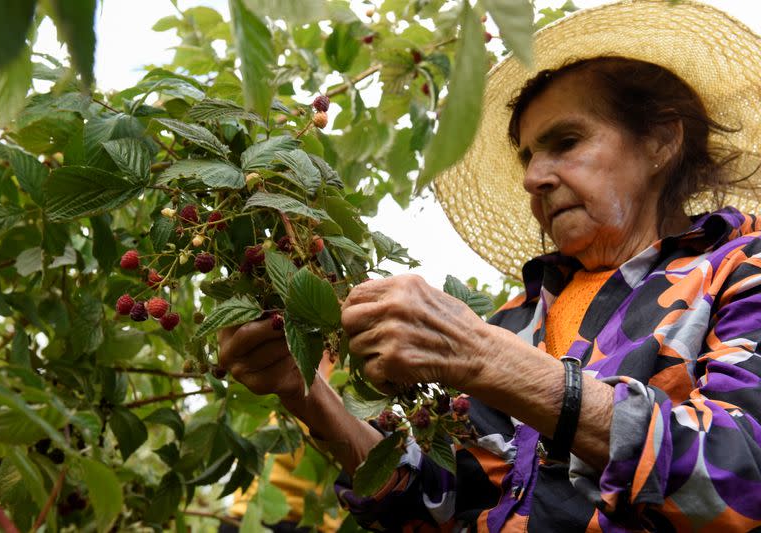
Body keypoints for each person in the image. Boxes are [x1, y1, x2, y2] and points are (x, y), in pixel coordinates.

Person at [218, 1, 761, 530]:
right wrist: (306, 393)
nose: (533, 178)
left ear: (662, 141)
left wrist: (484, 358)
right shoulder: (516, 320)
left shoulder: (739, 273)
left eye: (566, 141)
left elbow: (743, 474)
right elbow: (438, 501)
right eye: (527, 157)